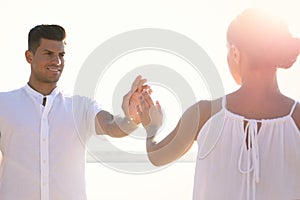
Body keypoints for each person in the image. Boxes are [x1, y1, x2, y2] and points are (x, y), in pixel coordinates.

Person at [139, 8, 300, 200]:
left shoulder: (204, 114)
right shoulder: (297, 119)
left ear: (235, 53)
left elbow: (157, 156)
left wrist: (152, 128)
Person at [0, 24, 148, 200]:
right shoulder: (4, 104)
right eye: (48, 54)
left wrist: (131, 118)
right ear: (29, 56)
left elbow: (112, 126)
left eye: (61, 55)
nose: (57, 61)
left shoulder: (81, 107)